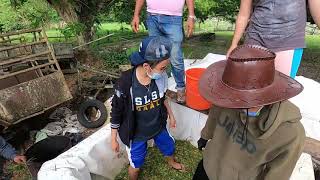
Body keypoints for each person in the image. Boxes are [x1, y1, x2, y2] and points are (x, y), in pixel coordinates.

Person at [193, 45, 305, 180]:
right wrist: (206, 135)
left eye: (235, 96)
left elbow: (278, 174)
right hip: (209, 166)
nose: (227, 98)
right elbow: (215, 113)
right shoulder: (225, 98)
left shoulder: (291, 134)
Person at [110, 36, 185, 180]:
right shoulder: (126, 83)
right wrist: (113, 138)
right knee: (136, 164)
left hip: (158, 126)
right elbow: (116, 111)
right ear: (146, 66)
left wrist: (171, 115)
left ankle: (171, 162)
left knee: (169, 146)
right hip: (136, 134)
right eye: (162, 68)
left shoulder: (160, 77)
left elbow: (162, 99)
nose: (165, 72)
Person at [227, 0, 320, 78]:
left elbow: (317, 10)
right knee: (250, 87)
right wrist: (234, 44)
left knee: (282, 90)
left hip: (289, 41)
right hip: (254, 39)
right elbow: (243, 14)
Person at [131, 0, 196, 103]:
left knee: (175, 58)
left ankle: (180, 89)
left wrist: (191, 16)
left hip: (173, 18)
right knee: (155, 57)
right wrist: (136, 14)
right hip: (152, 17)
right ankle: (157, 90)